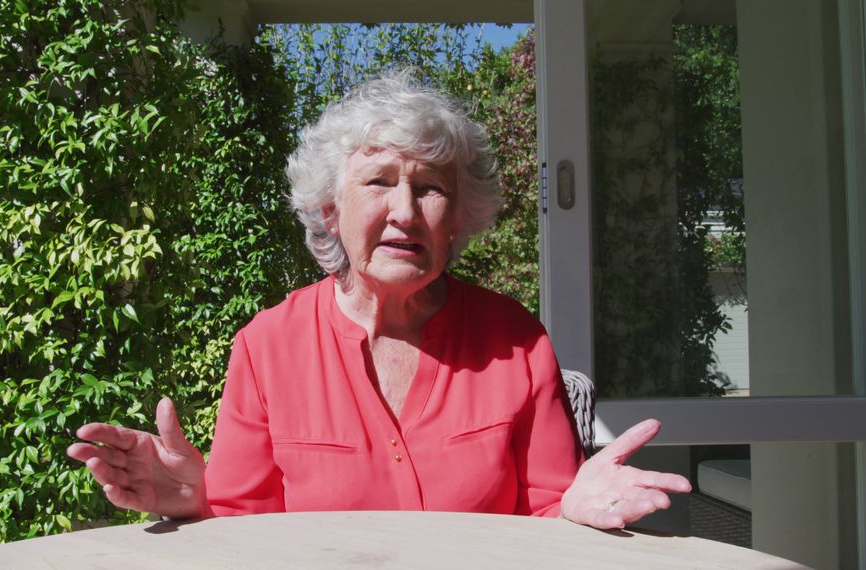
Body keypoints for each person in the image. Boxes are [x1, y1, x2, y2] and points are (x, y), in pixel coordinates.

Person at [67, 70, 690, 529]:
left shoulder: (517, 343)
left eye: (429, 188)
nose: (404, 212)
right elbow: (244, 526)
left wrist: (576, 511)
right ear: (332, 212)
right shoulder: (267, 347)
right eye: (380, 182)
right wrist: (195, 500)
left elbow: (548, 509)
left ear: (457, 219)